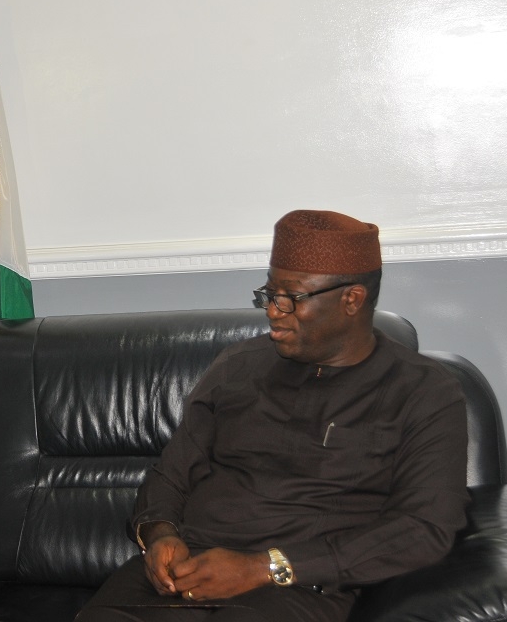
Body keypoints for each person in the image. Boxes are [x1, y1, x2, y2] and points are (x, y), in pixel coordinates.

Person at [76, 210, 469, 622]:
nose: (273, 311)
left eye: (291, 299)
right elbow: (171, 475)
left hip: (295, 591)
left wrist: (265, 567)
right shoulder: (238, 367)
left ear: (351, 299)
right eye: (269, 294)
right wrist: (159, 534)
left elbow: (423, 529)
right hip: (177, 577)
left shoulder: (423, 391)